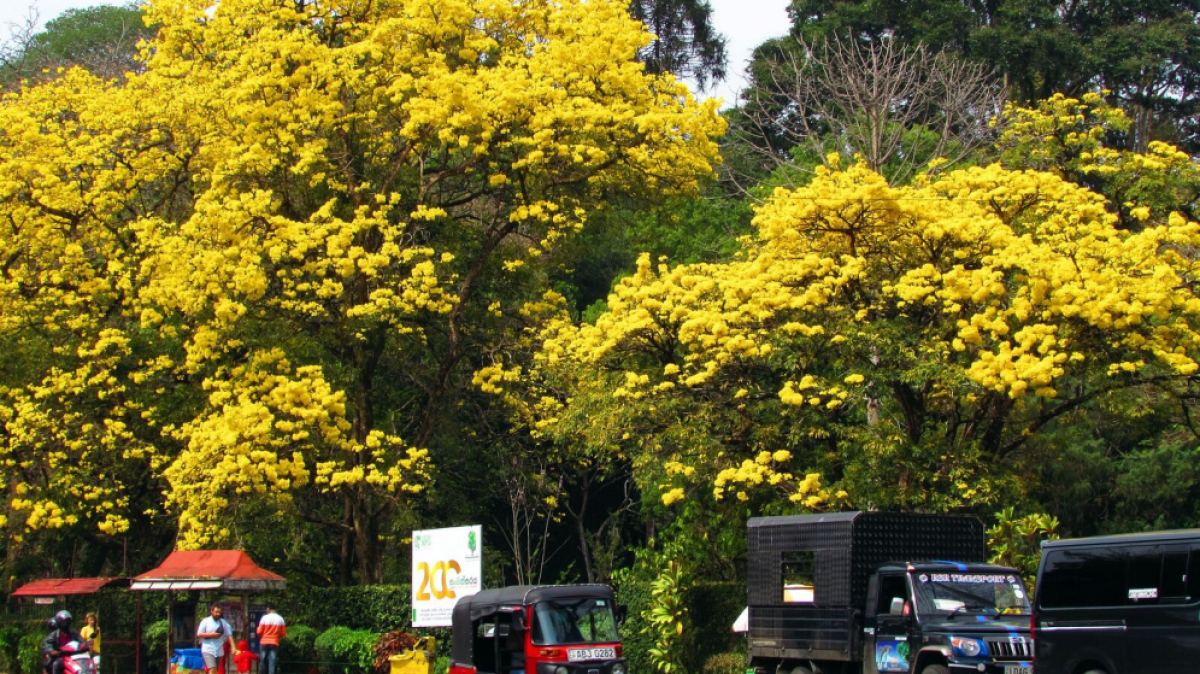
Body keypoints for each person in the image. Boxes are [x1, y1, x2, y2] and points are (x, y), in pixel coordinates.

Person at [196, 605, 235, 674]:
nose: (218, 614)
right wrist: (212, 635)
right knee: (213, 669)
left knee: (214, 670)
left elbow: (229, 635)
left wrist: (233, 647)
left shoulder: (223, 622)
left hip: (219, 650)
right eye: (216, 612)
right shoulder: (205, 621)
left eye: (219, 612)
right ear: (212, 611)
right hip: (208, 650)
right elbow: (199, 634)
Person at [254, 605, 286, 674]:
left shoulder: (264, 618)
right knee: (272, 661)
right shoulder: (280, 619)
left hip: (264, 642)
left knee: (263, 661)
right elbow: (283, 633)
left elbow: (259, 632)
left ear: (268, 609)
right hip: (274, 642)